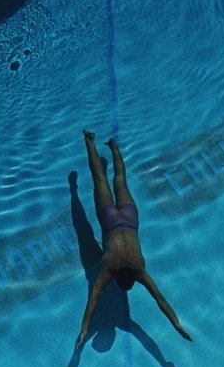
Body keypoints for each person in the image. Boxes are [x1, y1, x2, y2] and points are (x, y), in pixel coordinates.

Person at [75, 130, 192, 349]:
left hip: (129, 219)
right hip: (109, 222)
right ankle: (89, 141)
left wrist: (178, 324)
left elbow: (161, 300)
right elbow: (92, 303)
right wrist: (83, 332)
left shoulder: (138, 271)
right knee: (99, 178)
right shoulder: (109, 271)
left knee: (120, 179)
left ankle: (113, 146)